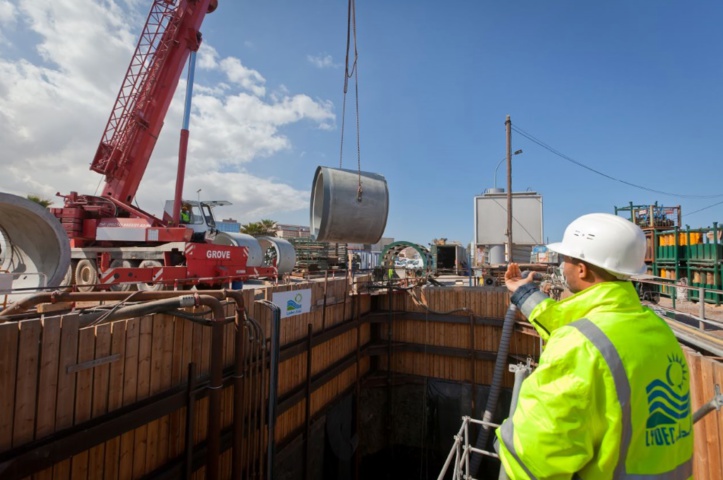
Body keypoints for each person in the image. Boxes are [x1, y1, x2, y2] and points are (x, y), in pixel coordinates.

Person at [496, 213, 693, 479]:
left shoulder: (578, 347)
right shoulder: (657, 330)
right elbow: (581, 326)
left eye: (565, 259)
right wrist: (523, 292)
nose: (561, 266)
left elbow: (534, 460)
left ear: (582, 269)